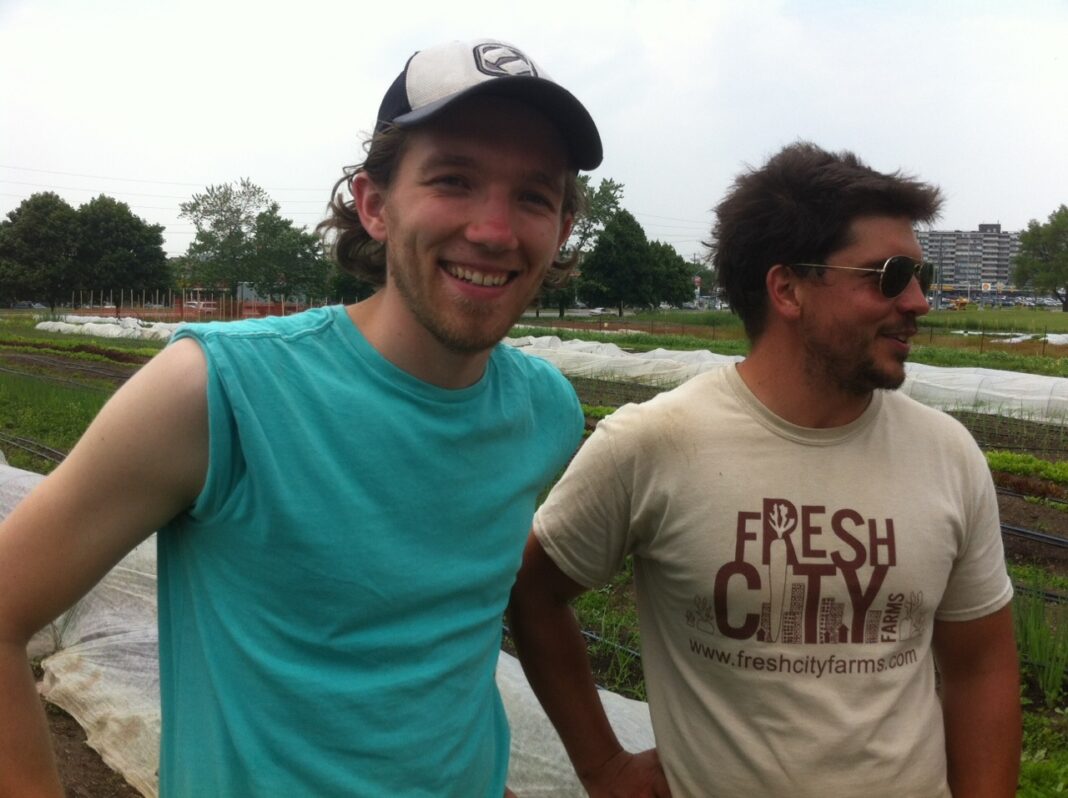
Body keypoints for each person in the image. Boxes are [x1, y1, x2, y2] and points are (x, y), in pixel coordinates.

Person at [0, 38, 602, 797]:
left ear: (563, 226)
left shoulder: (544, 411)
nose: (494, 229)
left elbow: (484, 581)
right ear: (374, 204)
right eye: (454, 179)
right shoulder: (216, 392)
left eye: (535, 196)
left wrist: (604, 761)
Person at [508, 142, 1021, 797]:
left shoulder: (949, 455)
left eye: (921, 276)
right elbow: (534, 591)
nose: (919, 301)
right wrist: (605, 768)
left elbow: (981, 668)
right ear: (787, 289)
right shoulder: (654, 443)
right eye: (890, 276)